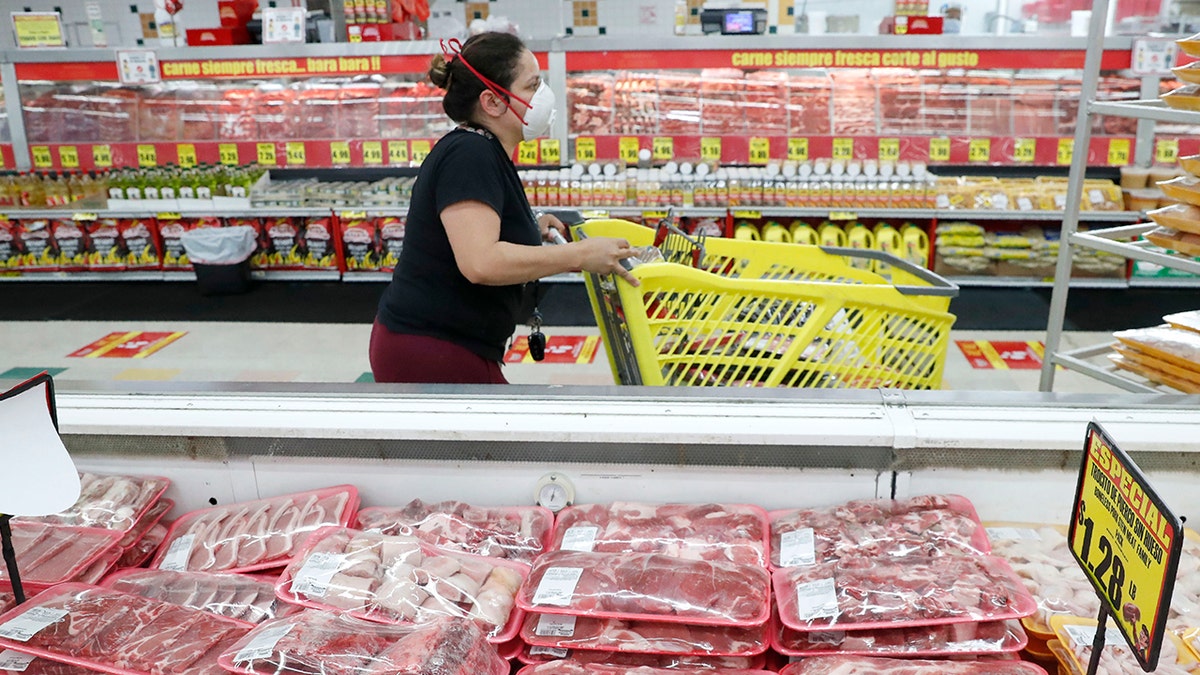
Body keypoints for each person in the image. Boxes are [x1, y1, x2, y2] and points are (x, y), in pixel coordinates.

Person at [370, 32, 638, 384]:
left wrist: (529, 226)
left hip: (446, 343)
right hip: (432, 349)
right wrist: (579, 255)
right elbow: (481, 262)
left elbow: (477, 232)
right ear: (493, 102)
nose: (544, 95)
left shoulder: (483, 149)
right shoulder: (469, 155)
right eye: (532, 85)